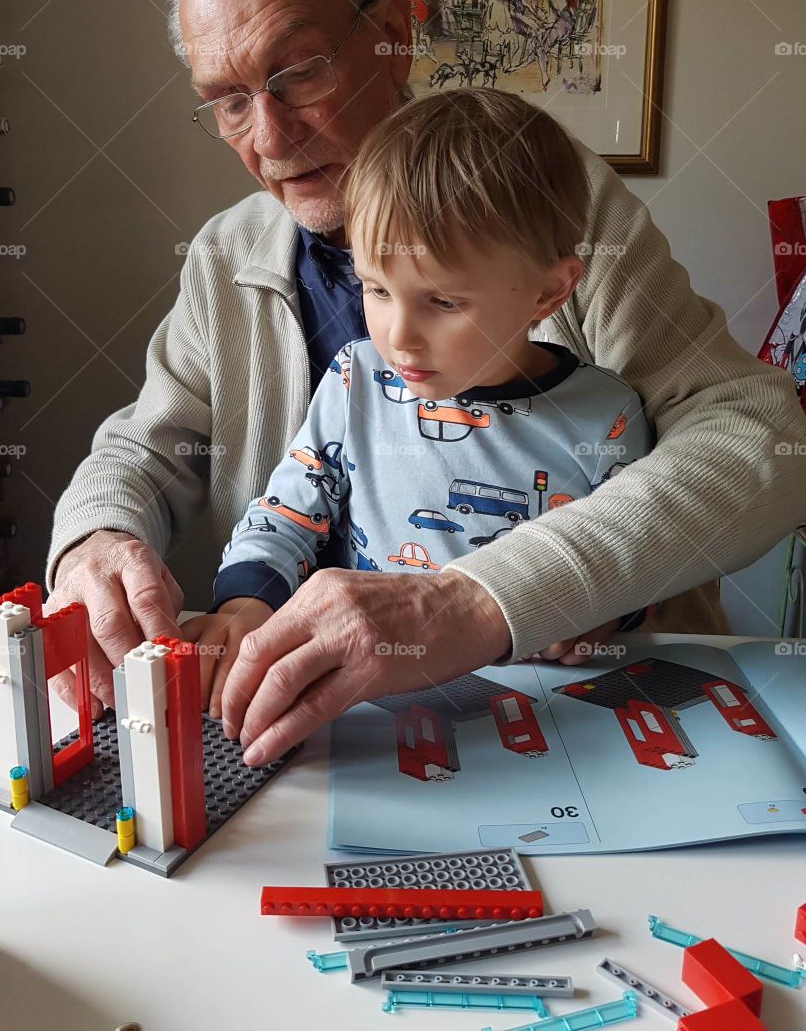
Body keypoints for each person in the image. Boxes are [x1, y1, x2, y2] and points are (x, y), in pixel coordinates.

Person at [45, 0, 806, 770]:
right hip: (305, 742)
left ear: (397, 30)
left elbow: (759, 441)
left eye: (297, 72)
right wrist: (97, 540)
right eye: (227, 100)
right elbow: (143, 450)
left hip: (583, 723)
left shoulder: (552, 215)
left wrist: (478, 603)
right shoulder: (227, 255)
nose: (269, 135)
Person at [182, 89, 656, 718]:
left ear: (549, 290)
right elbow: (288, 514)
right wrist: (246, 600)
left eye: (444, 302)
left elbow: (634, 556)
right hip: (373, 703)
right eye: (375, 288)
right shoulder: (356, 379)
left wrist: (605, 612)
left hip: (549, 714)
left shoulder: (610, 416)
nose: (397, 335)